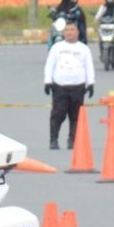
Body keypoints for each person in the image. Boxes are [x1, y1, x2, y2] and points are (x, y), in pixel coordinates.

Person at [43, 21, 95, 150]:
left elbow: (89, 67)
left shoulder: (84, 49)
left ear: (77, 32)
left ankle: (72, 140)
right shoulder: (56, 47)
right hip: (60, 86)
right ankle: (53, 139)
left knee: (75, 116)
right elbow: (49, 65)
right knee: (58, 114)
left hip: (78, 86)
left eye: (72, 30)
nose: (69, 32)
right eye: (67, 30)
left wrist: (91, 83)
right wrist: (48, 81)